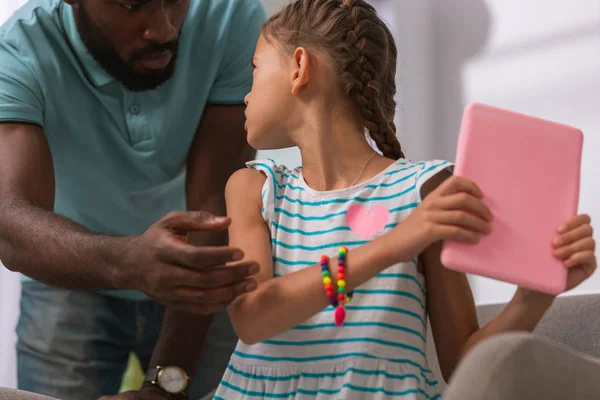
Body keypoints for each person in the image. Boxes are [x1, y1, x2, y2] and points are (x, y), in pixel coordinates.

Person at [212, 0, 598, 398]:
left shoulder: (426, 192)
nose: (245, 95)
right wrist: (393, 244)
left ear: (299, 67)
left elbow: (464, 367)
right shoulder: (254, 188)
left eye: (255, 70)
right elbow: (252, 316)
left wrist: (532, 298)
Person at [0, 0, 266, 399]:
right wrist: (126, 262)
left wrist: (166, 383)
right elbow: (11, 222)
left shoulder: (229, 15)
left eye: (176, 1)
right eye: (130, 5)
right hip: (70, 271)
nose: (163, 31)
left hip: (199, 266)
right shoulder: (21, 47)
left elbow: (214, 203)